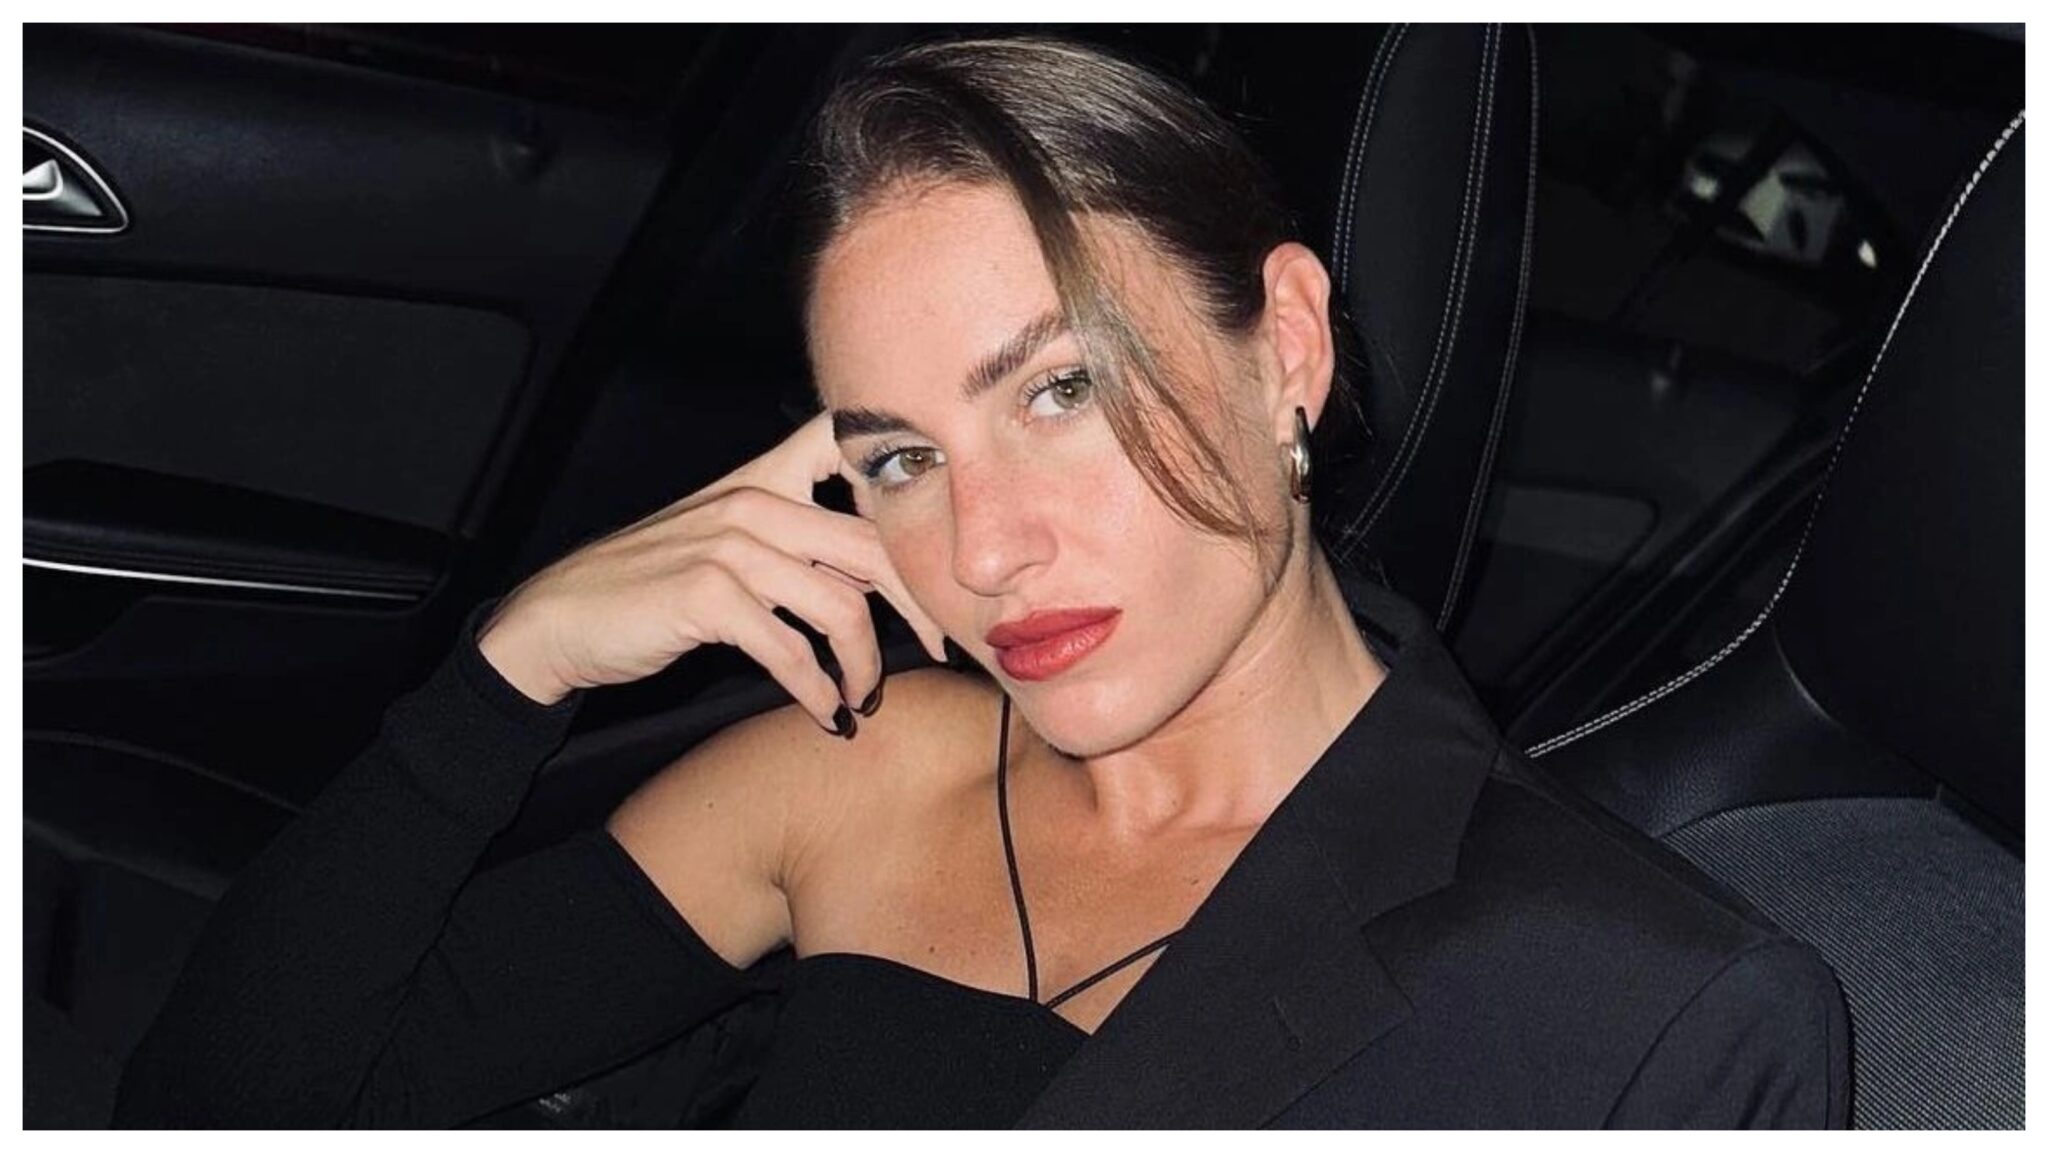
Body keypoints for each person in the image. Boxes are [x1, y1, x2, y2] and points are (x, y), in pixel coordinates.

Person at [113, 35, 1848, 1128]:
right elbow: (223, 1103)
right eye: (899, 457)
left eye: (1060, 389)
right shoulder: (857, 772)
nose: (984, 546)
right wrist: (513, 670)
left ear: (1288, 347)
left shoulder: (1652, 1005)